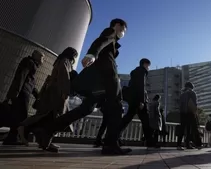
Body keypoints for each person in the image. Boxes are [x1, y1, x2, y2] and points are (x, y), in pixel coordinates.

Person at [34, 18, 130, 155]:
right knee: (116, 107)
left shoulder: (114, 44)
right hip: (106, 82)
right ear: (118, 25)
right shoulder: (111, 33)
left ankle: (47, 130)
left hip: (98, 85)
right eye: (123, 30)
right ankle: (110, 145)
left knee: (85, 109)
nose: (123, 33)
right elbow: (101, 41)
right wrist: (92, 54)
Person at [17, 47, 78, 152]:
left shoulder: (59, 61)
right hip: (58, 94)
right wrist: (65, 92)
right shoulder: (65, 62)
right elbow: (65, 77)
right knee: (55, 118)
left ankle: (43, 141)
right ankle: (25, 126)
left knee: (47, 117)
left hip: (52, 92)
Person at [2, 50, 44, 145]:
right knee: (20, 116)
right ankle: (12, 138)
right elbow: (21, 78)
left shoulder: (32, 64)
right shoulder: (28, 62)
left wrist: (37, 95)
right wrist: (14, 94)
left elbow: (30, 83)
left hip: (24, 93)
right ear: (36, 56)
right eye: (42, 57)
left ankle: (12, 138)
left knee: (18, 116)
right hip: (22, 94)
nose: (43, 60)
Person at [119, 58, 153, 148]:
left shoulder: (134, 72)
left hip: (133, 99)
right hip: (139, 100)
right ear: (145, 64)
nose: (148, 68)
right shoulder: (142, 72)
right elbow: (141, 86)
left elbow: (134, 86)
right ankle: (150, 142)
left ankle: (114, 137)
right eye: (148, 66)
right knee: (146, 120)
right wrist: (141, 101)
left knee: (127, 118)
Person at [177, 82, 202, 150]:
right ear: (191, 87)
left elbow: (180, 105)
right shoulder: (192, 93)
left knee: (182, 129)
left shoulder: (182, 94)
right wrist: (195, 112)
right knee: (194, 128)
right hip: (190, 112)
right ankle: (198, 144)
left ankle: (179, 145)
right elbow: (194, 103)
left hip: (182, 113)